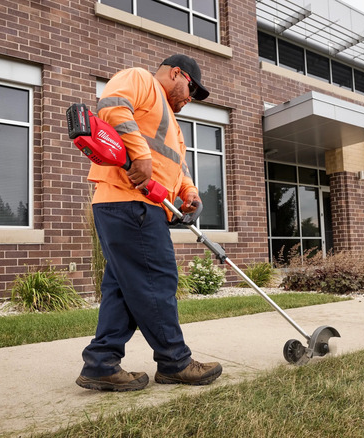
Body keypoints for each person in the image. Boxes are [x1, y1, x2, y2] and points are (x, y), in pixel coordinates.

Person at [76, 54, 223, 392]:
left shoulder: (171, 123)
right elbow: (112, 105)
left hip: (132, 207)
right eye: (191, 89)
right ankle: (175, 361)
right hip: (130, 202)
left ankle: (100, 362)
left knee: (123, 288)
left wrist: (191, 195)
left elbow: (176, 167)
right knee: (158, 280)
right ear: (176, 74)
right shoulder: (141, 80)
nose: (190, 98)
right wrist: (139, 155)